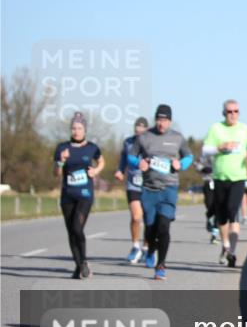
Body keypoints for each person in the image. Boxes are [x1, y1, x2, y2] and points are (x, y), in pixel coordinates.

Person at [128, 104, 193, 280]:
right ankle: (150, 250)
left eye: (164, 120)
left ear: (170, 121)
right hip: (149, 189)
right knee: (150, 228)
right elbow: (131, 155)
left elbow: (188, 156)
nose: (161, 123)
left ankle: (161, 265)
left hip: (169, 189)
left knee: (164, 226)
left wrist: (181, 164)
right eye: (158, 119)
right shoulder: (145, 137)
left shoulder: (177, 138)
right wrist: (138, 163)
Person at [202, 99, 247, 268]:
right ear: (223, 113)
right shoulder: (216, 128)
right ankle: (225, 245)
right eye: (229, 112)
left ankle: (232, 252)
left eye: (236, 111)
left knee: (233, 212)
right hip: (220, 177)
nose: (233, 114)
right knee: (222, 217)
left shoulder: (245, 129)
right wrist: (220, 148)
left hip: (238, 177)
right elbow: (205, 150)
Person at [54, 112, 105, 279]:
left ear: (85, 130)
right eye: (74, 128)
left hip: (85, 194)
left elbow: (101, 161)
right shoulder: (62, 148)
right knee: (71, 232)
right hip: (67, 195)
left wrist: (96, 171)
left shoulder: (92, 147)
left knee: (77, 227)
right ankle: (79, 266)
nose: (76, 131)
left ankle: (82, 262)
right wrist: (61, 161)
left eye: (79, 128)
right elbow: (56, 173)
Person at [113, 116, 149, 263]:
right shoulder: (128, 142)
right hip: (133, 184)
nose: (139, 130)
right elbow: (124, 158)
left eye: (142, 127)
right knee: (136, 217)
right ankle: (135, 247)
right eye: (137, 127)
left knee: (149, 220)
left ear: (146, 129)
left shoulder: (152, 143)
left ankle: (147, 248)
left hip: (149, 184)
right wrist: (120, 170)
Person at [194, 152, 220, 242]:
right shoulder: (205, 153)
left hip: (221, 182)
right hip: (209, 183)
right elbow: (196, 164)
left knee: (218, 208)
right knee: (209, 205)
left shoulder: (225, 153)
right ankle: (209, 216)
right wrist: (204, 169)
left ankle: (214, 234)